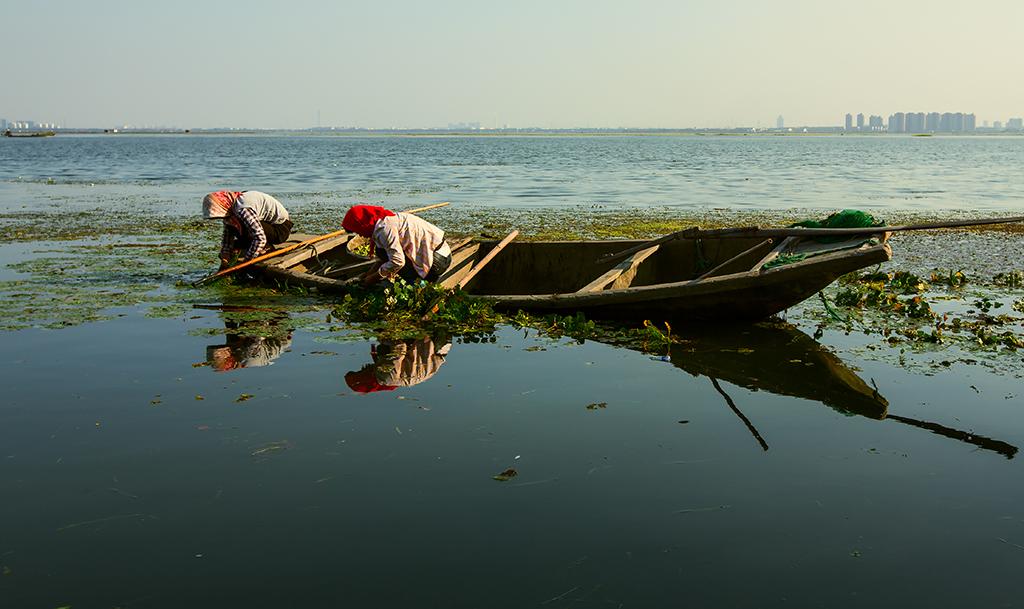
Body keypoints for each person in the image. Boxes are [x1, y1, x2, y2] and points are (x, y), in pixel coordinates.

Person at [341, 205, 451, 285]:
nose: (359, 234)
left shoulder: (384, 229)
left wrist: (374, 278)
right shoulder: (382, 221)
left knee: (392, 260)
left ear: (362, 224)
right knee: (382, 252)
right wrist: (367, 274)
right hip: (439, 256)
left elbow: (398, 261)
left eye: (357, 230)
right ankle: (416, 278)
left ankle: (417, 284)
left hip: (438, 262)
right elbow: (383, 259)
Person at [202, 190, 293, 270]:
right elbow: (227, 238)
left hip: (280, 230)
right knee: (233, 244)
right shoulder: (231, 208)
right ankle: (258, 249)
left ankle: (267, 247)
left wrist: (246, 262)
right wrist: (225, 255)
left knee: (246, 226)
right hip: (265, 227)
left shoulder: (243, 209)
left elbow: (260, 238)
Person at [345, 336, 452, 393]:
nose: (362, 368)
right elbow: (400, 346)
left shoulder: (385, 381)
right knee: (383, 348)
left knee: (382, 351)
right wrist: (383, 338)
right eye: (359, 371)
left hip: (437, 354)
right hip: (433, 345)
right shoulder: (384, 376)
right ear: (364, 378)